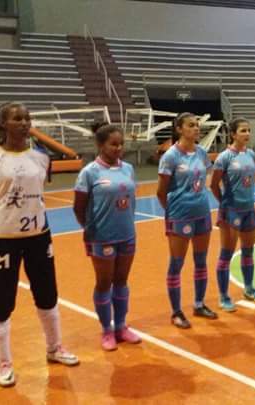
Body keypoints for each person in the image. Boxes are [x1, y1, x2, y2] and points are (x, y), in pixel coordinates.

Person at [0, 102, 79, 387]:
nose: (24, 123)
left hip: (38, 237)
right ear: (3, 124)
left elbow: (38, 193)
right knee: (2, 302)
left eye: (27, 118)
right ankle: (3, 362)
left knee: (47, 295)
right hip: (3, 241)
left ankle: (54, 348)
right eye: (17, 118)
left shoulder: (42, 157)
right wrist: (0, 222)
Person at [74, 123, 141, 350]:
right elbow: (79, 207)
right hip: (102, 237)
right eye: (113, 144)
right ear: (100, 145)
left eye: (121, 144)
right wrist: (91, 230)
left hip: (127, 235)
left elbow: (132, 200)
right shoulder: (89, 172)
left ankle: (121, 326)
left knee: (121, 281)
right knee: (104, 283)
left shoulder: (128, 169)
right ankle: (106, 330)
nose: (118, 148)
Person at [157, 112, 217, 328]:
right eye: (191, 125)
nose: (196, 128)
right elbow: (161, 192)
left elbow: (205, 180)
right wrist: (173, 212)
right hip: (180, 217)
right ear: (179, 129)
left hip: (202, 214)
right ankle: (176, 311)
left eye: (197, 125)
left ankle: (199, 304)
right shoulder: (171, 156)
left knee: (201, 261)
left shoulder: (202, 153)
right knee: (177, 263)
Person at [210, 118, 255, 310]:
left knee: (248, 251)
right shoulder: (224, 157)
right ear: (233, 134)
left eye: (248, 130)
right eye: (242, 131)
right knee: (226, 254)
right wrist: (224, 203)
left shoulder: (251, 153)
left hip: (249, 209)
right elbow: (214, 185)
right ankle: (224, 296)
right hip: (231, 211)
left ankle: (248, 288)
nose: (247, 134)